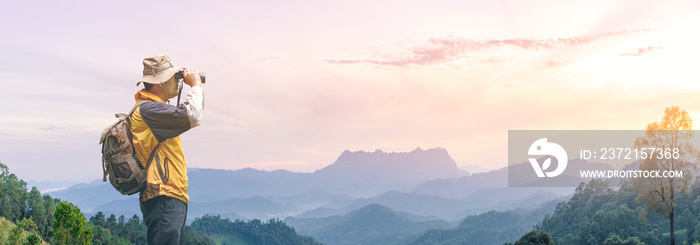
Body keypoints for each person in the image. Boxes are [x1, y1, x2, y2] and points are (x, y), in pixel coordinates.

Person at [131, 52, 203, 244]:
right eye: (173, 77)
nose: (177, 81)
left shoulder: (153, 109)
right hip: (163, 197)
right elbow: (194, 115)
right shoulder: (149, 110)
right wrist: (195, 85)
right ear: (159, 81)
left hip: (171, 197)